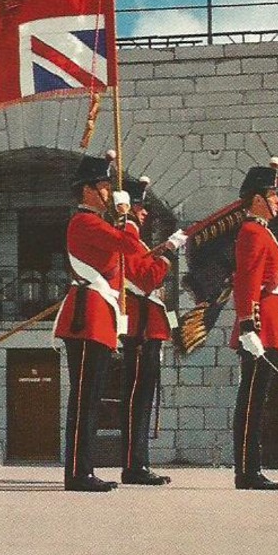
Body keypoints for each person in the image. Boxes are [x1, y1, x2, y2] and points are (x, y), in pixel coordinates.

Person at [53, 154, 183, 492]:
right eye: (103, 187)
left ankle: (83, 470)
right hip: (87, 316)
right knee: (85, 400)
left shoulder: (98, 223)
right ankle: (79, 473)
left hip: (99, 315)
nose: (109, 194)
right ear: (87, 190)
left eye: (109, 188)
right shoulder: (84, 222)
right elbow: (126, 244)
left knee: (91, 399)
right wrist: (127, 217)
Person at [232, 159, 278, 490]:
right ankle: (246, 470)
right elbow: (247, 282)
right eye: (273, 194)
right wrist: (247, 327)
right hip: (258, 323)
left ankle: (251, 467)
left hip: (267, 319)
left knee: (257, 398)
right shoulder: (252, 232)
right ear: (257, 199)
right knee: (252, 399)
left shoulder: (261, 232)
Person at [117, 175, 175, 486]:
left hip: (149, 329)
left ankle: (139, 463)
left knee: (142, 401)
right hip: (139, 332)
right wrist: (166, 257)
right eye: (140, 208)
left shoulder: (137, 243)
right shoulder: (128, 238)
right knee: (137, 402)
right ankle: (133, 465)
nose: (144, 214)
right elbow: (144, 280)